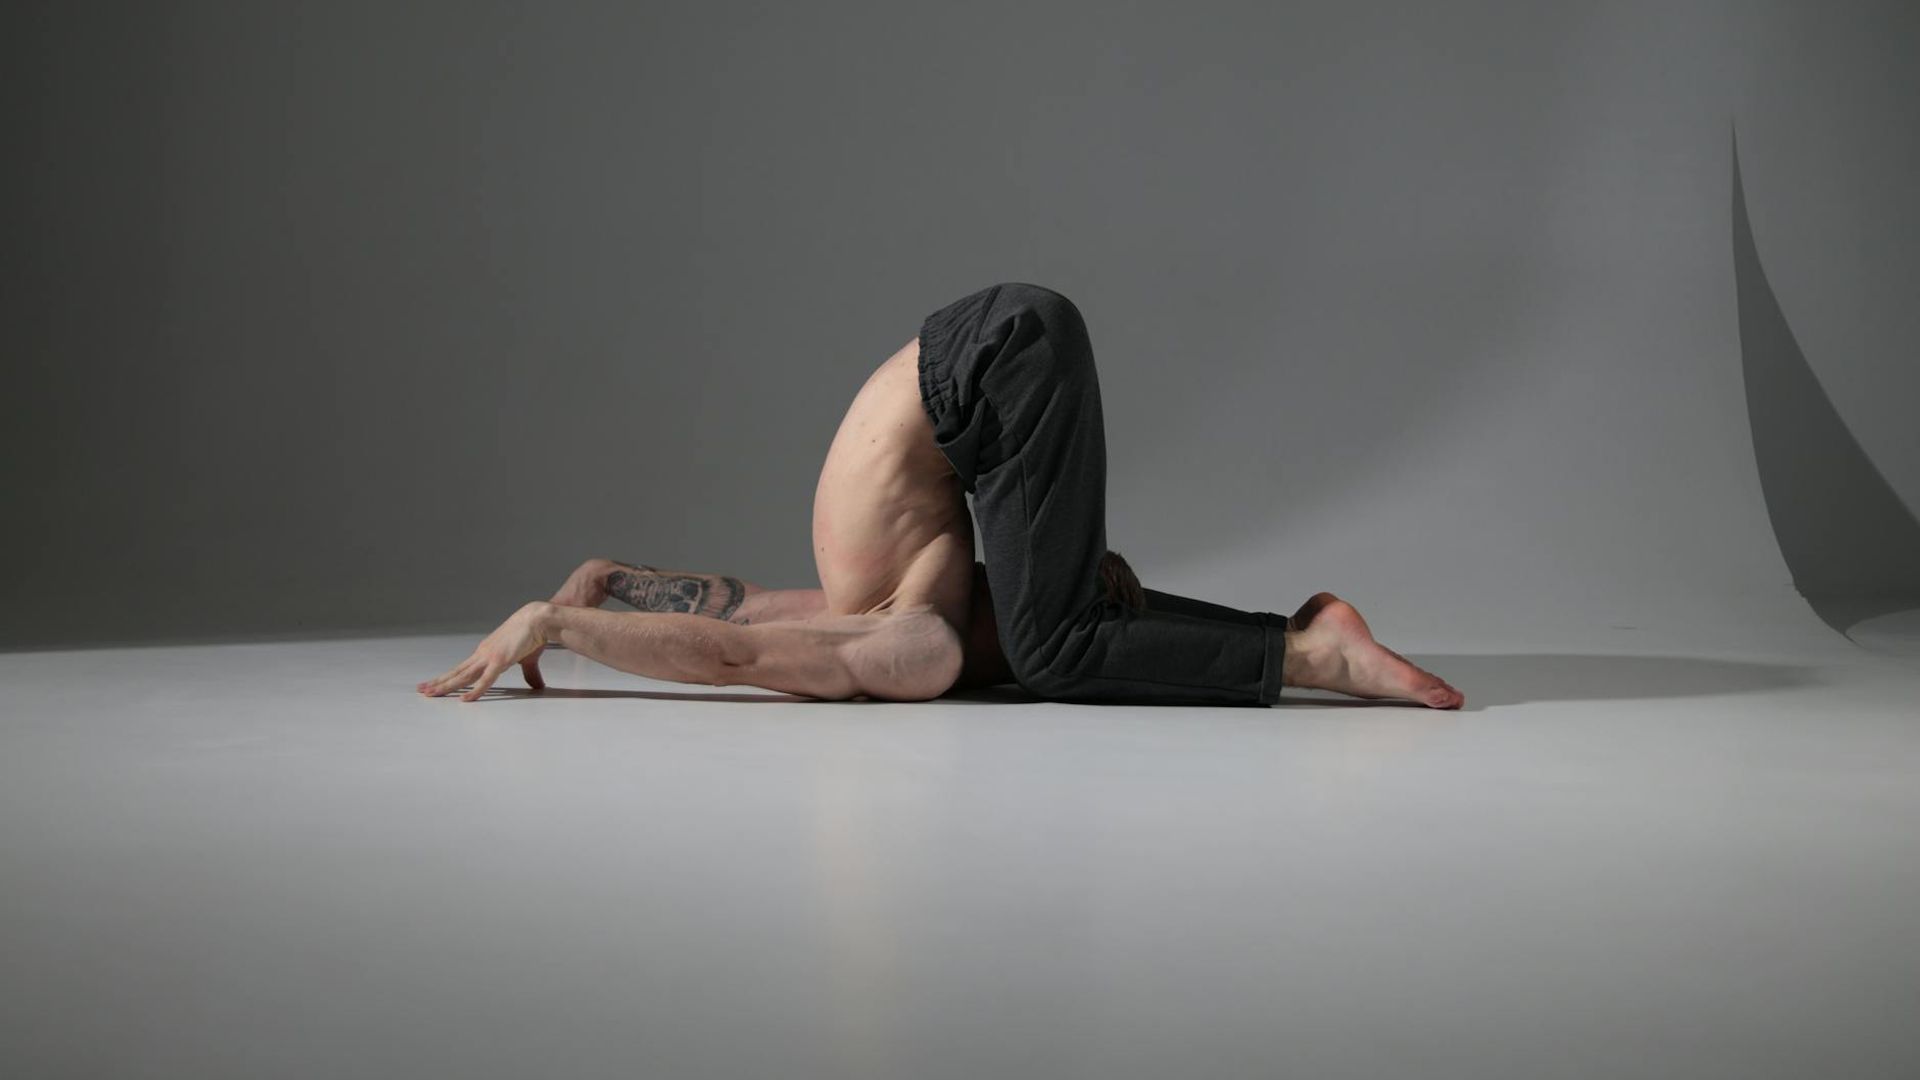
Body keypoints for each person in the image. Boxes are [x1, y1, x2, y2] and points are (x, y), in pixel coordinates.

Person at [418, 282, 1465, 709]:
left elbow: (734, 649)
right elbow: (713, 604)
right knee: (1065, 631)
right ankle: (1310, 634)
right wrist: (601, 588)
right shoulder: (898, 601)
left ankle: (1314, 652)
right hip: (992, 356)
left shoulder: (911, 647)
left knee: (1058, 653)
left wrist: (562, 619)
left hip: (993, 362)